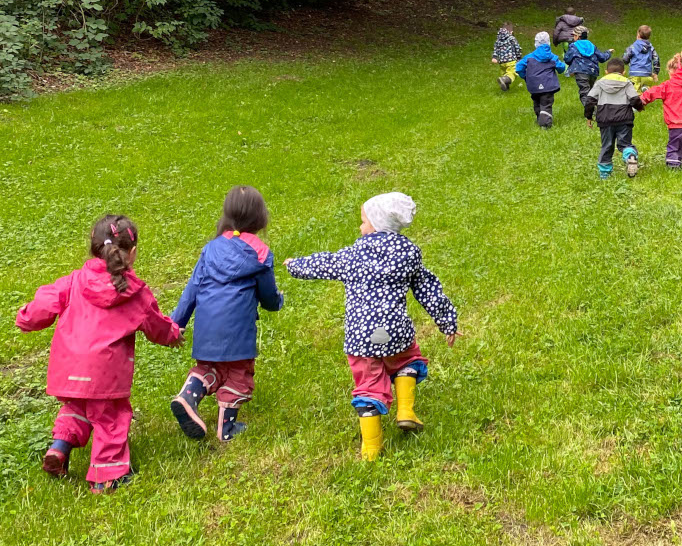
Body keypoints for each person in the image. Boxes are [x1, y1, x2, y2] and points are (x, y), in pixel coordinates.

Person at [284, 193, 460, 462]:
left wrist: (295, 265)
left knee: (368, 385)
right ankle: (405, 411)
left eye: (363, 222)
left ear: (377, 224)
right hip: (395, 331)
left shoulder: (355, 253)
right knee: (408, 359)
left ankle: (371, 450)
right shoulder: (409, 253)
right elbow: (427, 289)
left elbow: (325, 262)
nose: (360, 227)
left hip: (360, 337)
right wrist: (447, 321)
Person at [16, 215, 181, 494]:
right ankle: (107, 477)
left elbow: (44, 303)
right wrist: (174, 335)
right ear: (132, 253)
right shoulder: (134, 292)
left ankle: (59, 446)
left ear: (93, 248)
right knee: (110, 418)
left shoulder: (73, 281)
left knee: (77, 407)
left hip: (68, 367)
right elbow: (156, 325)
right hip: (105, 375)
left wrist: (25, 318)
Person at [169, 185, 284, 442]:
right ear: (260, 217)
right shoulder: (261, 252)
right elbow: (267, 296)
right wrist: (278, 301)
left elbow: (192, 289)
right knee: (238, 374)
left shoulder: (211, 248)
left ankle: (188, 396)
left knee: (208, 367)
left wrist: (176, 323)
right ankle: (226, 428)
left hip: (206, 329)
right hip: (238, 332)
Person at [584, 58, 644, 179]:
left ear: (606, 72)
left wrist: (589, 116)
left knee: (607, 145)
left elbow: (590, 100)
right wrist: (640, 107)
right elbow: (634, 99)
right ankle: (630, 155)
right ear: (623, 72)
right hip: (624, 119)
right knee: (624, 143)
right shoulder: (627, 83)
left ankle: (605, 173)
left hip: (605, 120)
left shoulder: (600, 83)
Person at [515, 32, 567, 129]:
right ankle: (545, 124)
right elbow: (561, 68)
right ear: (548, 43)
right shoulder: (552, 57)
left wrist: (525, 76)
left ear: (536, 43)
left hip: (534, 85)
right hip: (548, 85)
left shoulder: (529, 57)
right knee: (546, 103)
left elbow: (518, 67)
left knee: (537, 101)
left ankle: (540, 117)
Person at [564, 26, 613, 108]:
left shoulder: (573, 46)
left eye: (574, 35)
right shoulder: (592, 46)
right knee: (592, 92)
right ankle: (599, 109)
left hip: (580, 72)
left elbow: (567, 59)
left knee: (584, 92)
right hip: (593, 72)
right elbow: (602, 57)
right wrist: (608, 52)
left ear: (577, 36)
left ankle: (591, 111)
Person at [622, 25, 660, 94]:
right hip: (647, 74)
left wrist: (627, 62)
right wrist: (655, 72)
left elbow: (625, 58)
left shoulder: (632, 47)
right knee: (645, 93)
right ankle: (645, 89)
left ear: (638, 35)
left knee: (634, 93)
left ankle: (638, 98)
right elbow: (656, 59)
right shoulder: (651, 48)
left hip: (635, 73)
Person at [492, 22, 523, 92]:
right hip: (511, 60)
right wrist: (519, 57)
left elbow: (495, 49)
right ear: (511, 32)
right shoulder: (512, 38)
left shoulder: (498, 40)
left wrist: (494, 57)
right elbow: (517, 48)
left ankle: (505, 88)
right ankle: (504, 80)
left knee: (504, 73)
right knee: (512, 73)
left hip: (502, 62)